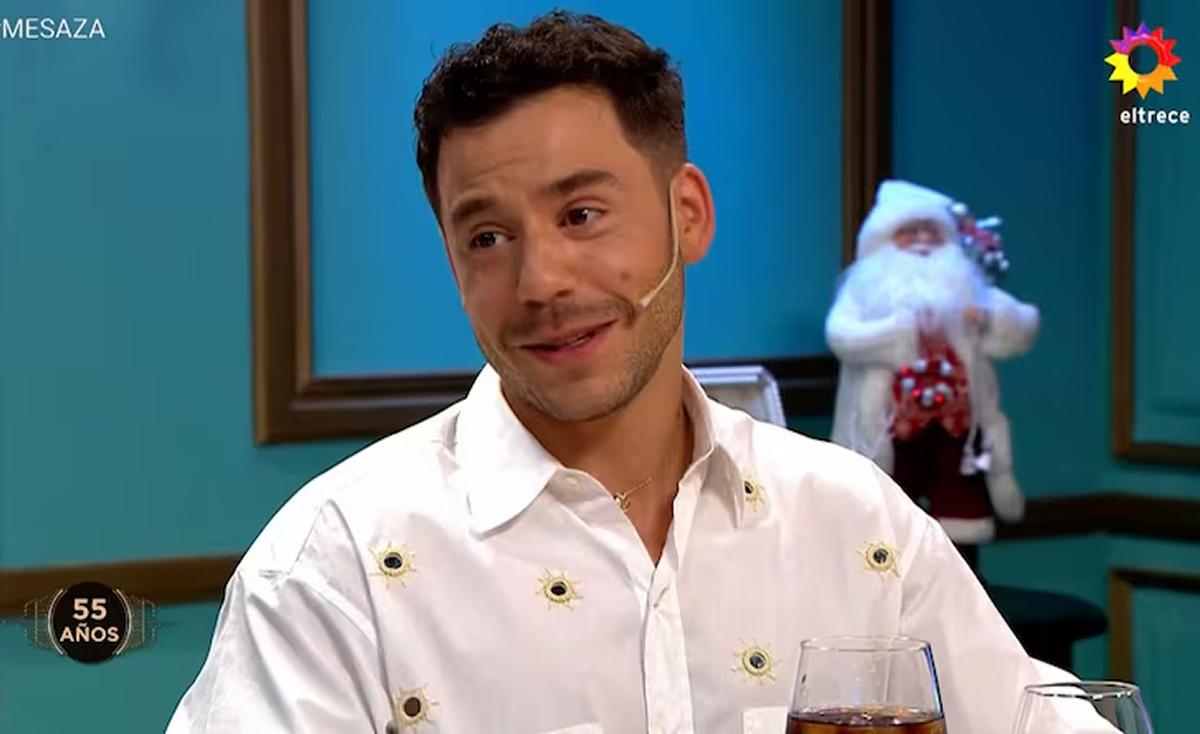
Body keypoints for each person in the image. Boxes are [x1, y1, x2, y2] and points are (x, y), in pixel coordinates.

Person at [168, 13, 1055, 733]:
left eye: (582, 214)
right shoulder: (333, 567)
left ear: (688, 214)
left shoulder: (856, 524)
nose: (540, 281)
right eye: (487, 236)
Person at [827, 180, 1040, 551]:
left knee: (962, 520)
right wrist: (899, 331)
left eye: (932, 231)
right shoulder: (865, 289)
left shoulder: (966, 286)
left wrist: (986, 319)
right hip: (891, 429)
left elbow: (1022, 326)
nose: (923, 240)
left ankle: (961, 574)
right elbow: (841, 335)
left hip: (959, 432)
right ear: (885, 238)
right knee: (890, 521)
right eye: (910, 232)